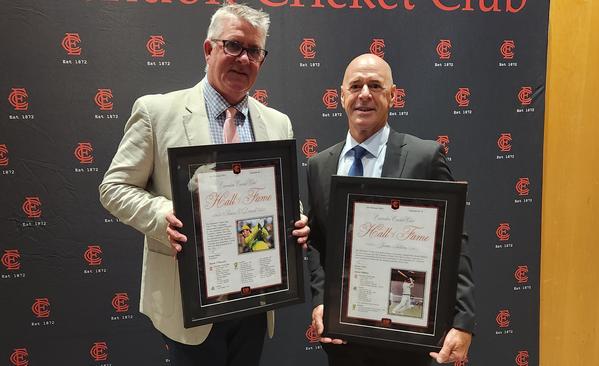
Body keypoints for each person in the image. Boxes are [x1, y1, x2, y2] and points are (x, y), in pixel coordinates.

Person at [99, 4, 309, 366]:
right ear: (208, 49)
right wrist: (166, 213)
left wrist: (296, 218)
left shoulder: (277, 123)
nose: (243, 59)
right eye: (233, 46)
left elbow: (278, 196)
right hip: (189, 302)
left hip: (256, 297)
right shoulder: (157, 112)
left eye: (254, 51)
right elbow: (114, 187)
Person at [305, 53, 475, 365]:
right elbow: (316, 242)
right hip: (344, 340)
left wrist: (463, 321)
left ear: (393, 95)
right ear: (341, 95)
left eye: (375, 85)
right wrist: (320, 302)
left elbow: (454, 243)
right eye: (355, 86)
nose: (364, 94)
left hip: (405, 338)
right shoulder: (319, 165)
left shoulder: (424, 156)